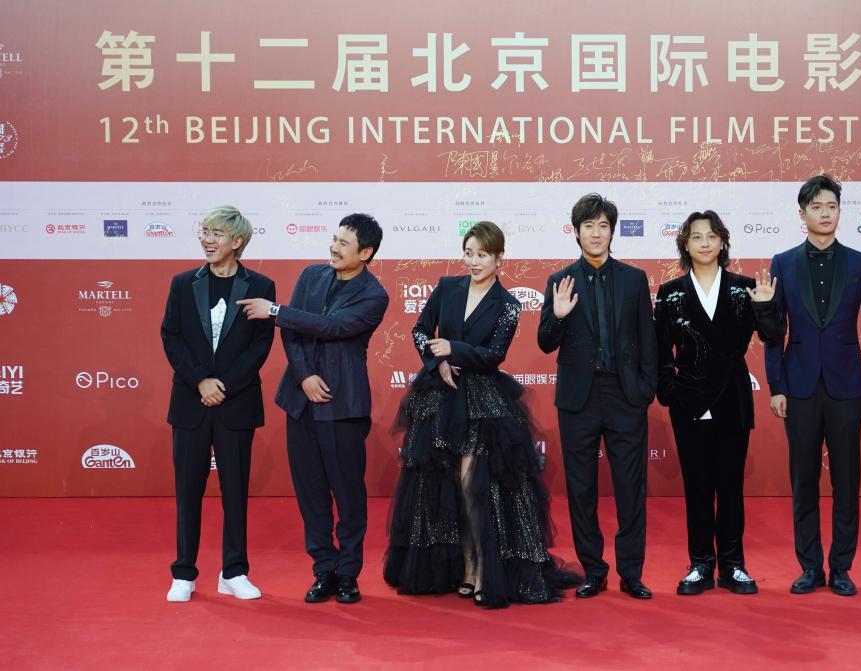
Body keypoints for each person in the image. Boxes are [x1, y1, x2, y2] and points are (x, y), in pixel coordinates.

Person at [384, 221, 580, 608]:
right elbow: (420, 331)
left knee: (471, 485)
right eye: (469, 253)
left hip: (481, 403)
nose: (474, 261)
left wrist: (452, 349)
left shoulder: (507, 304)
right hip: (440, 396)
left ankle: (479, 566)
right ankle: (460, 565)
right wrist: (437, 361)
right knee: (442, 486)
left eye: (482, 255)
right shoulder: (447, 287)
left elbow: (494, 355)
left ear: (499, 259)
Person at [238, 214, 388, 605]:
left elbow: (333, 326)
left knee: (348, 496)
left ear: (365, 253)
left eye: (343, 243)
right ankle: (324, 570)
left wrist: (274, 310)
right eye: (334, 239)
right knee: (311, 494)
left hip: (342, 406)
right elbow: (294, 332)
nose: (333, 248)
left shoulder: (374, 295)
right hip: (301, 402)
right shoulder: (311, 276)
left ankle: (348, 574)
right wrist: (304, 375)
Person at [764, 175, 861, 597]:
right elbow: (774, 333)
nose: (825, 213)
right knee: (803, 480)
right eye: (816, 206)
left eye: (831, 206)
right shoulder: (783, 262)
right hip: (799, 386)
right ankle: (809, 566)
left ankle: (841, 567)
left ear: (840, 211)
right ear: (802, 213)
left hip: (846, 386)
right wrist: (775, 385)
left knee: (846, 480)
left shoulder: (860, 262)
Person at [654, 210, 785, 597]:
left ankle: (732, 564)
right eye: (696, 237)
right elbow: (660, 351)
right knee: (697, 488)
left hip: (732, 399)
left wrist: (766, 306)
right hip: (689, 402)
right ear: (685, 244)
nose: (705, 243)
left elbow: (774, 335)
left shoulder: (745, 288)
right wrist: (671, 392)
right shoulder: (670, 292)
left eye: (712, 236)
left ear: (723, 242)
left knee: (730, 488)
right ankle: (700, 564)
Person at [538, 194, 658, 600]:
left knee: (630, 488)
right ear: (576, 231)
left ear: (612, 231)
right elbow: (545, 342)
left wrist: (645, 389)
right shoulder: (561, 281)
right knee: (581, 488)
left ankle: (631, 573)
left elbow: (647, 338)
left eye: (603, 226)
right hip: (579, 399)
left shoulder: (633, 279)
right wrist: (558, 316)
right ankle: (593, 570)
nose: (595, 233)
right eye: (588, 226)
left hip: (625, 395)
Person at [160, 205, 276, 603]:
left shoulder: (261, 285)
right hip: (190, 402)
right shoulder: (182, 283)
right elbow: (171, 336)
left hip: (235, 403)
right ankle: (183, 573)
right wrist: (200, 381)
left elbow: (261, 345)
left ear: (237, 241)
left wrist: (223, 385)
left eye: (216, 234)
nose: (207, 240)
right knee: (187, 491)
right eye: (205, 232)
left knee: (235, 493)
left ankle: (234, 571)